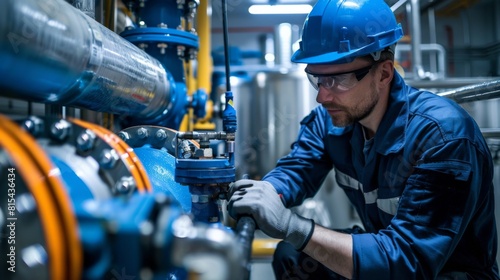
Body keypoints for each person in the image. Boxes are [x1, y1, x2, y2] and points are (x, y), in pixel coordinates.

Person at [227, 0, 499, 279]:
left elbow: (408, 261)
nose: (322, 96)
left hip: (441, 271)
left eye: (338, 80)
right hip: (385, 255)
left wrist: (293, 226)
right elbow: (298, 169)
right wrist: (268, 192)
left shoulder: (443, 138)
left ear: (383, 73)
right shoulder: (332, 121)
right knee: (294, 257)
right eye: (317, 80)